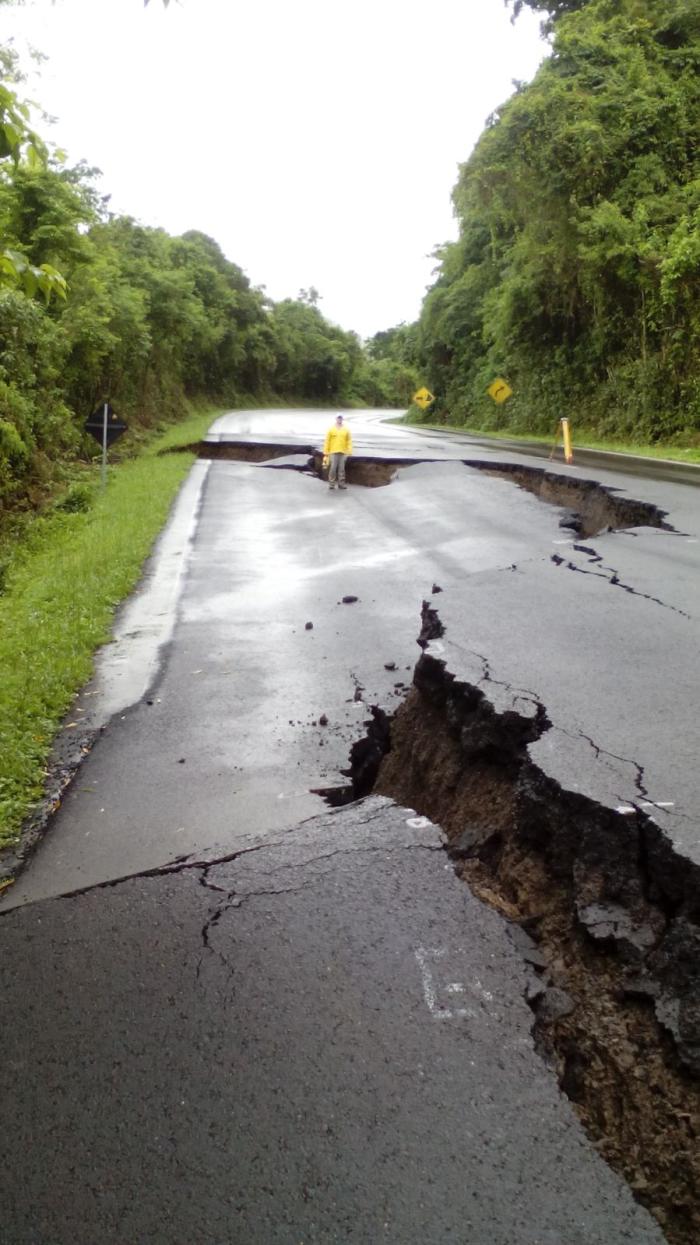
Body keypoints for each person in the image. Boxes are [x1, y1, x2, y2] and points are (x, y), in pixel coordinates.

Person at [323, 414, 353, 490]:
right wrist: (326, 451)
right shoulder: (331, 429)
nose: (339, 419)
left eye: (341, 418)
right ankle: (331, 484)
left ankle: (341, 484)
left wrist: (349, 451)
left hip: (343, 452)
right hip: (333, 452)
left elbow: (349, 441)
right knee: (333, 468)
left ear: (342, 419)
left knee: (341, 469)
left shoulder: (346, 430)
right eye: (338, 418)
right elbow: (327, 441)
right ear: (336, 419)